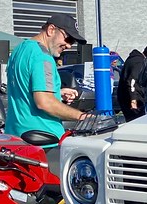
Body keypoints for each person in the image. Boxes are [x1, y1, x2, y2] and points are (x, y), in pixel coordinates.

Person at [5, 12, 90, 174]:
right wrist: (82, 117)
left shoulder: (19, 50)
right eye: (68, 39)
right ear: (51, 30)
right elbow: (44, 102)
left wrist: (57, 92)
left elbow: (24, 89)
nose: (69, 45)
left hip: (16, 140)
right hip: (44, 144)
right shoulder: (43, 58)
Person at [117, 43, 147, 122]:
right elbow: (132, 81)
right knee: (136, 122)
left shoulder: (133, 59)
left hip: (126, 96)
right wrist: (133, 100)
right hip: (132, 99)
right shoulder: (138, 63)